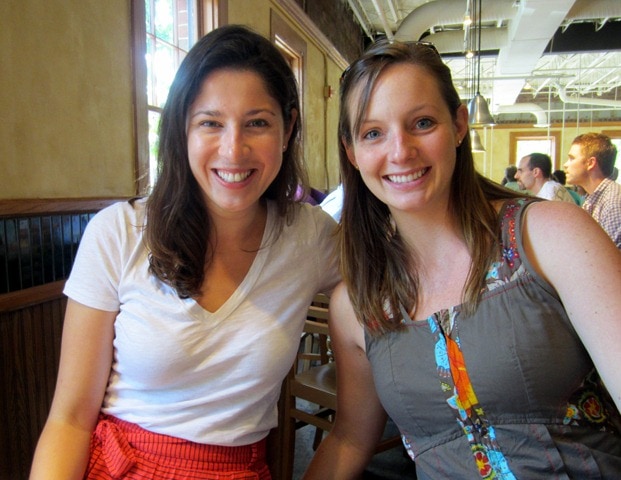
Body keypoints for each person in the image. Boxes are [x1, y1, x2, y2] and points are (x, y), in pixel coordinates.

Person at [30, 25, 340, 480]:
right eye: (210, 123)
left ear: (287, 127)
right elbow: (70, 419)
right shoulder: (119, 232)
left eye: (257, 123)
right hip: (120, 468)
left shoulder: (309, 237)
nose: (233, 149)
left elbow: (400, 275)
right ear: (182, 128)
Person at [303, 39, 621, 479]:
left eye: (422, 123)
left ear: (458, 126)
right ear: (352, 152)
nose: (400, 151)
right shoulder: (357, 305)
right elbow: (350, 440)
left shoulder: (551, 235)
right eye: (373, 133)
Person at [564, 132, 621, 249]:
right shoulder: (594, 198)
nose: (565, 164)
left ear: (590, 163)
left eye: (572, 158)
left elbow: (608, 255)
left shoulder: (612, 203)